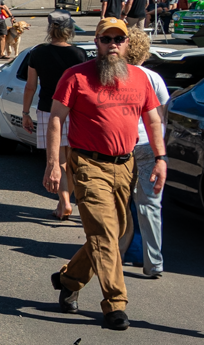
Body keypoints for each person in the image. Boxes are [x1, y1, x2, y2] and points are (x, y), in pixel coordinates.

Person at [43, 18, 167, 330]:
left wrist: (161, 158)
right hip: (88, 164)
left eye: (118, 39)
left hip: (125, 165)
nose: (113, 45)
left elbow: (153, 120)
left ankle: (69, 280)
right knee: (103, 233)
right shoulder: (76, 76)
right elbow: (56, 118)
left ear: (127, 44)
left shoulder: (139, 78)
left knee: (118, 230)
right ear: (96, 42)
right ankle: (115, 303)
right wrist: (53, 164)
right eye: (106, 39)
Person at [22, 11, 88, 220]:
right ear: (70, 30)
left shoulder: (37, 53)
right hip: (75, 111)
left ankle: (64, 203)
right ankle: (66, 202)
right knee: (71, 160)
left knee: (58, 159)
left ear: (50, 29)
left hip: (48, 109)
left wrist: (25, 113)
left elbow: (30, 86)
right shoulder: (79, 54)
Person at [123, 27, 168, 279]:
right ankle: (154, 262)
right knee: (150, 204)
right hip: (150, 145)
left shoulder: (116, 75)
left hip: (123, 145)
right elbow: (161, 114)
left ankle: (116, 253)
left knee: (119, 202)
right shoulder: (153, 78)